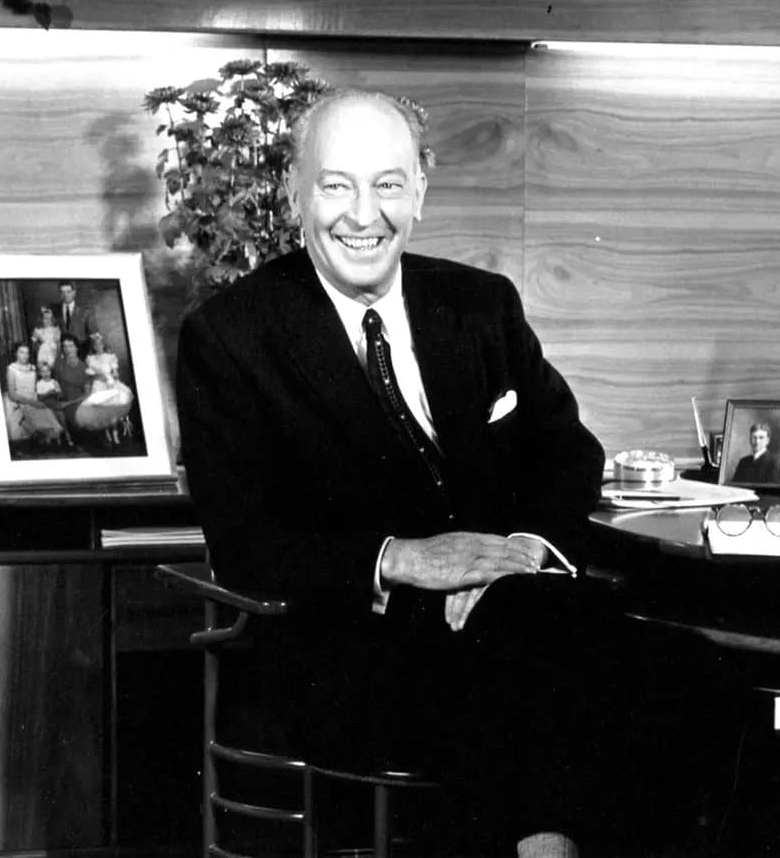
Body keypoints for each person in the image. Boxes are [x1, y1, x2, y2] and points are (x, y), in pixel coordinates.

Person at [177, 90, 616, 858]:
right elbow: (246, 539)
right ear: (295, 191)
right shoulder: (230, 336)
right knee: (565, 675)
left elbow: (569, 451)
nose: (363, 214)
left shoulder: (482, 305)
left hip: (515, 619)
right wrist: (405, 559)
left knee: (675, 670)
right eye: (336, 185)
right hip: (348, 652)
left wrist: (521, 550)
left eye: (387, 184)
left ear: (421, 187)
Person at [77, 331, 134, 445]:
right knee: (102, 411)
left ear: (103, 345)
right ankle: (107, 434)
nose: (98, 346)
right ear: (93, 346)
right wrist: (99, 376)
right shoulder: (90, 358)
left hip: (110, 384)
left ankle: (115, 434)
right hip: (98, 385)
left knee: (112, 410)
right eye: (96, 345)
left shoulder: (110, 357)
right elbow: (91, 374)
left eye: (100, 344)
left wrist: (113, 375)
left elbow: (115, 372)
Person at [53, 281, 97, 350]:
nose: (65, 295)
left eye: (68, 292)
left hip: (82, 352)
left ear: (74, 292)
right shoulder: (54, 310)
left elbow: (94, 334)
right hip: (61, 353)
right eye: (62, 292)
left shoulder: (85, 311)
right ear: (59, 293)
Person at [31, 306, 62, 373]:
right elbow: (33, 344)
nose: (48, 321)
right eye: (45, 318)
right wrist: (37, 345)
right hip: (43, 353)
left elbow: (58, 344)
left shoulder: (55, 329)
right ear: (41, 319)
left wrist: (58, 356)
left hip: (53, 352)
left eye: (50, 319)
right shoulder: (38, 330)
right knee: (44, 370)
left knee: (54, 370)